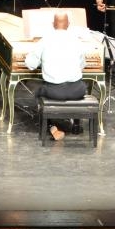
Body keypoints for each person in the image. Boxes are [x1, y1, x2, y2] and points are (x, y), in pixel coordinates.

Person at [24, 12, 87, 140]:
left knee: (38, 92)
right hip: (77, 91)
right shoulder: (77, 40)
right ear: (68, 25)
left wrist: (42, 62)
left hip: (54, 91)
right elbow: (82, 65)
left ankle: (51, 126)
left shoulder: (45, 40)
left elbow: (30, 64)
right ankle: (76, 124)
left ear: (53, 25)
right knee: (82, 84)